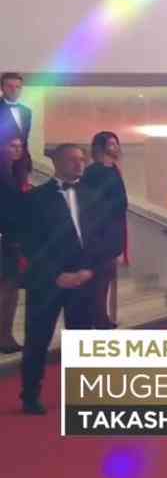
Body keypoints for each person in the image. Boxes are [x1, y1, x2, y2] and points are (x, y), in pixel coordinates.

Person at [19, 144, 103, 415]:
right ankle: (30, 395)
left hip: (83, 278)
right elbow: (30, 243)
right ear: (56, 162)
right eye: (72, 159)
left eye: (82, 160)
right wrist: (56, 274)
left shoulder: (92, 196)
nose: (79, 165)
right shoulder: (35, 198)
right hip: (48, 281)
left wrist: (88, 270)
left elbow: (97, 237)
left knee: (82, 339)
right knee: (38, 339)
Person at [81, 131, 127, 329]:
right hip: (99, 234)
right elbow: (92, 206)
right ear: (100, 147)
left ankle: (101, 317)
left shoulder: (113, 169)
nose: (116, 147)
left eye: (117, 144)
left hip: (112, 232)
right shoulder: (94, 172)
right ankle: (98, 319)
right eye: (111, 144)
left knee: (105, 278)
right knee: (98, 280)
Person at [0, 136, 32, 353]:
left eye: (20, 146)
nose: (17, 150)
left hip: (12, 238)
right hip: (4, 238)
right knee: (7, 288)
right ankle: (4, 337)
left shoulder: (15, 174)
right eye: (12, 146)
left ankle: (5, 335)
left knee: (11, 289)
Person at [0, 72, 32, 145]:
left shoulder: (27, 111)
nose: (14, 90)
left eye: (17, 87)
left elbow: (24, 140)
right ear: (2, 88)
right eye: (9, 86)